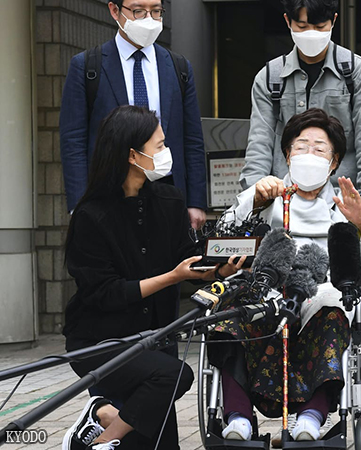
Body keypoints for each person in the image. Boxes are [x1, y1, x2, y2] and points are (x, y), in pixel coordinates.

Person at [209, 108, 361, 442]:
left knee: (333, 308)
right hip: (268, 291)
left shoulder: (345, 203)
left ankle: (311, 418)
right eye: (301, 147)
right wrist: (252, 201)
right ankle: (238, 417)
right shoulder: (267, 196)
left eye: (319, 149)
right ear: (287, 155)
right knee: (232, 309)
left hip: (322, 293)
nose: (309, 155)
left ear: (334, 161)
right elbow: (220, 241)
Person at [61, 106, 244, 450]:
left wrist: (218, 270)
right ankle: (101, 436)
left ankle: (103, 416)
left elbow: (186, 258)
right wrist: (172, 277)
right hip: (101, 342)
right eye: (159, 146)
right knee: (175, 375)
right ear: (133, 155)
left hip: (155, 339)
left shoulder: (168, 200)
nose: (166, 152)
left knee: (159, 440)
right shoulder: (91, 216)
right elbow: (105, 294)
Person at [60, 0, 208, 229]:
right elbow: (73, 140)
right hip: (109, 194)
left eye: (156, 11)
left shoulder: (178, 67)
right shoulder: (87, 66)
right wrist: (79, 206)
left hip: (167, 190)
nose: (149, 19)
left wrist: (196, 202)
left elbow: (192, 138)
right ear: (114, 10)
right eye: (138, 11)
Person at [239, 0, 361, 211]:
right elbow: (259, 144)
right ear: (287, 21)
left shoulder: (358, 73)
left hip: (340, 202)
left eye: (319, 27)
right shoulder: (270, 77)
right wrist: (256, 195)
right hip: (283, 201)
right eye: (302, 26)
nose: (311, 34)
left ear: (334, 21)